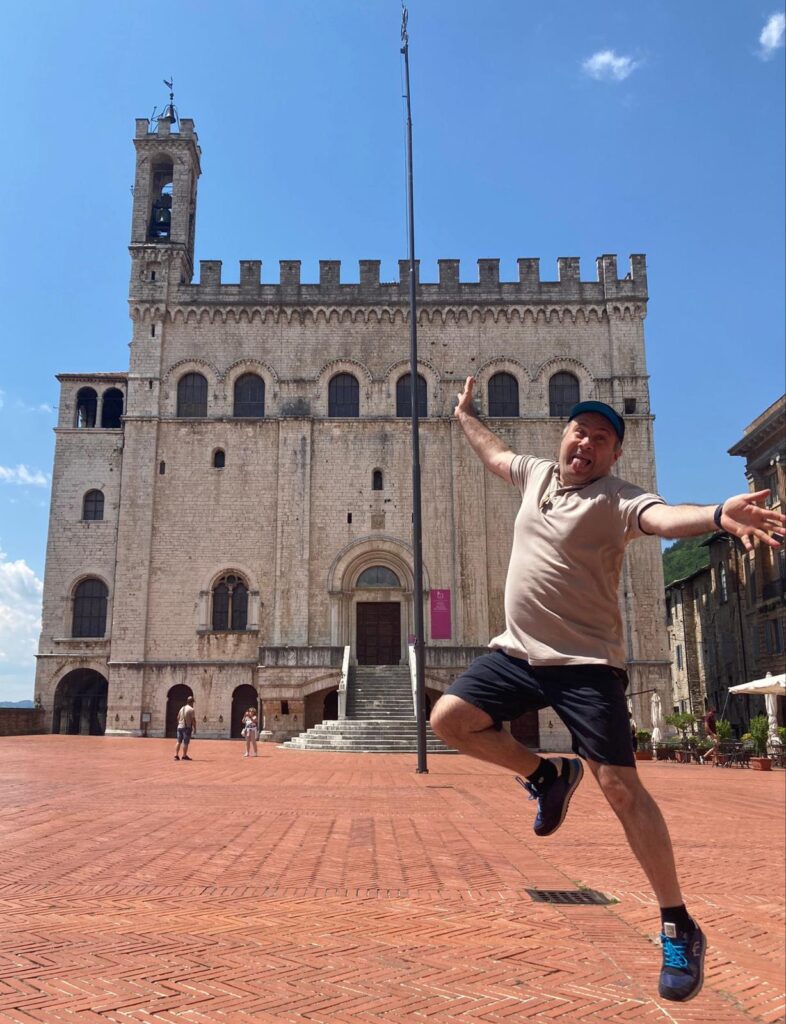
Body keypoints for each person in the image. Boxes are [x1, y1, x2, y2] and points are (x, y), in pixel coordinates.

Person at [431, 377, 786, 1003]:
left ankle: (677, 921)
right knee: (449, 720)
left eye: (601, 438)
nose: (587, 443)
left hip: (586, 664)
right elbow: (493, 454)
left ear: (614, 455)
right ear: (562, 437)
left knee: (622, 788)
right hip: (517, 651)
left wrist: (716, 516)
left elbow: (663, 518)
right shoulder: (536, 475)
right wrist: (464, 415)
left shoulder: (620, 499)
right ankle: (545, 776)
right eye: (580, 431)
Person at [174, 695, 196, 761]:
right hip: (186, 727)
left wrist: (179, 724)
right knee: (185, 742)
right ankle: (184, 755)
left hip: (179, 727)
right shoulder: (191, 709)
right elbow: (193, 720)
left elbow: (177, 717)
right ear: (192, 702)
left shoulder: (182, 708)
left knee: (178, 741)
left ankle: (176, 755)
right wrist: (194, 728)